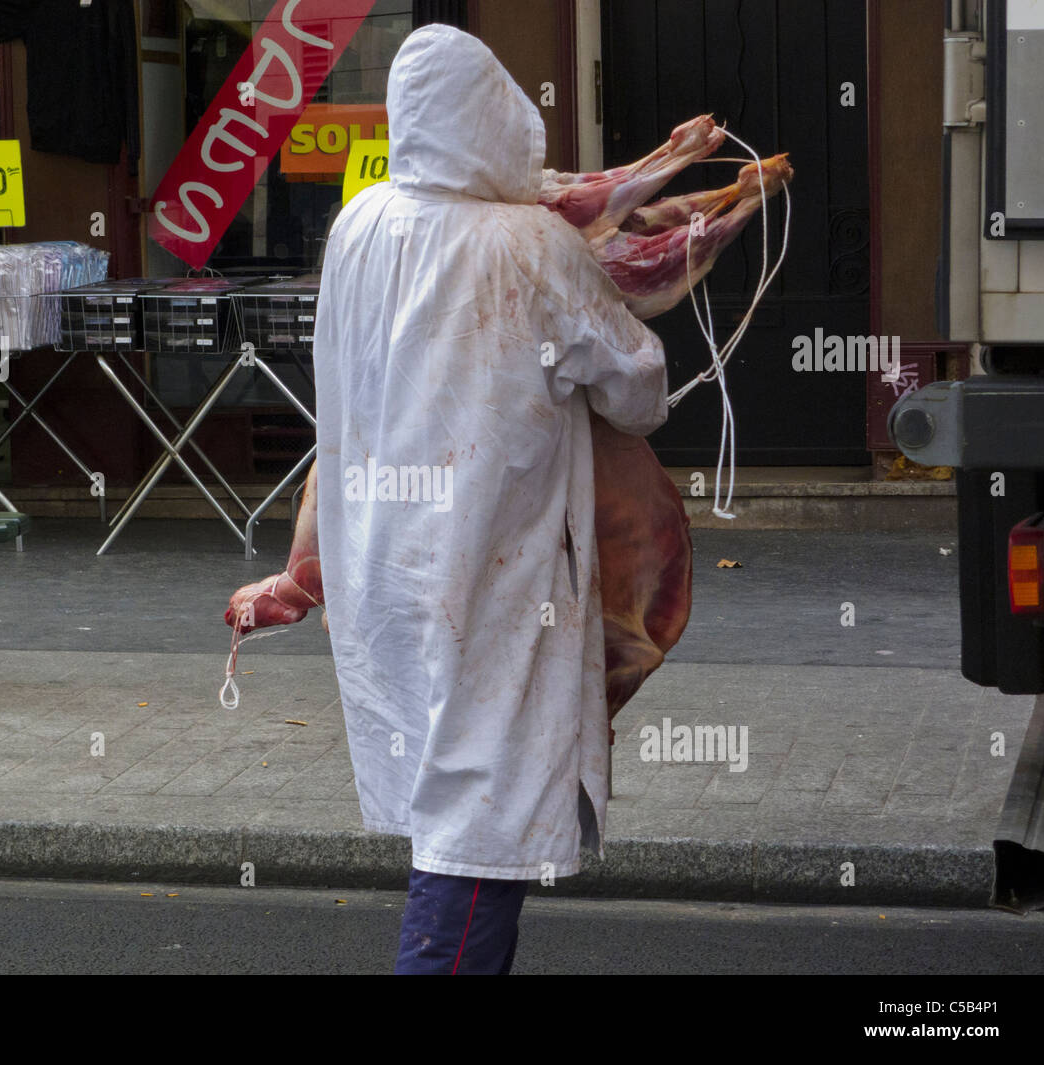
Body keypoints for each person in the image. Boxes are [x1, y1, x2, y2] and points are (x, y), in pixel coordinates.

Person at [311, 25, 669, 974]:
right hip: (492, 570)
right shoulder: (528, 243)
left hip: (381, 560)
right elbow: (639, 384)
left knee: (447, 793)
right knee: (477, 818)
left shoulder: (357, 224)